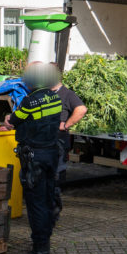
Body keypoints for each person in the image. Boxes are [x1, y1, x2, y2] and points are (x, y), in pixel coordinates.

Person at [2, 62, 62, 254]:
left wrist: (8, 118)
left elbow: (14, 120)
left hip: (34, 158)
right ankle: (46, 238)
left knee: (36, 204)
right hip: (51, 154)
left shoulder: (30, 101)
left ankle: (40, 250)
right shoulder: (55, 97)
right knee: (47, 198)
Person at [51, 78, 87, 222]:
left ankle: (54, 214)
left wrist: (66, 125)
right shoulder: (46, 93)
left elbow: (82, 109)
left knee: (55, 178)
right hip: (47, 143)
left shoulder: (67, 94)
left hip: (59, 143)